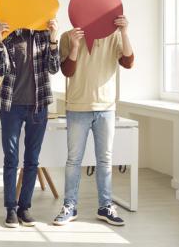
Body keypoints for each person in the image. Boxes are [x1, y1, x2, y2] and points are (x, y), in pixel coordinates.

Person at [53, 15, 134, 226]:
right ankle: (69, 206)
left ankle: (105, 206)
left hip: (106, 108)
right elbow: (67, 71)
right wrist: (75, 46)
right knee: (73, 161)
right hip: (77, 108)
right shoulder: (67, 36)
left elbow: (128, 62)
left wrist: (124, 32)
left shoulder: (114, 36)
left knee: (105, 161)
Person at [0, 21, 60, 227]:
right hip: (11, 106)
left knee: (32, 160)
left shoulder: (43, 35)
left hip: (38, 107)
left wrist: (54, 38)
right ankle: (11, 209)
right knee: (11, 159)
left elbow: (54, 68)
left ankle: (25, 208)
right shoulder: (10, 34)